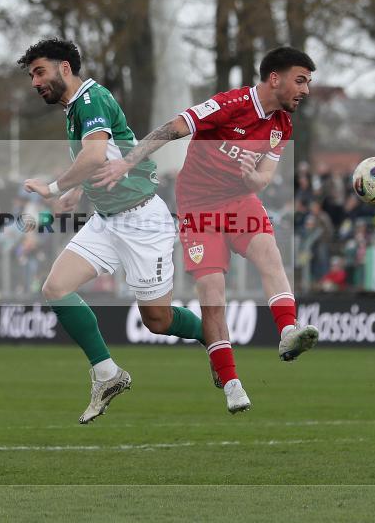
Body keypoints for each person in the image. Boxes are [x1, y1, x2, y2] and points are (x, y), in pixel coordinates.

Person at [95, 46, 320, 414]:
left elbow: (263, 178)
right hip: (198, 207)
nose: (306, 90)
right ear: (275, 78)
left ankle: (287, 331)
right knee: (212, 290)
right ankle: (231, 382)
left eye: (308, 83)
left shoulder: (281, 125)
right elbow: (172, 128)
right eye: (301, 80)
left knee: (269, 253)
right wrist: (127, 163)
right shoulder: (229, 105)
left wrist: (251, 177)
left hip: (237, 199)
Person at [17, 38, 206, 423]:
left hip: (142, 221)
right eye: (31, 75)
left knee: (159, 320)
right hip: (106, 220)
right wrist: (75, 191)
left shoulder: (90, 99)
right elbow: (102, 163)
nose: (35, 81)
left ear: (64, 68)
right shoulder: (74, 109)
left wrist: (54, 189)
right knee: (55, 288)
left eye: (39, 71)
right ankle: (107, 373)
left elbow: (95, 155)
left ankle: (215, 340)